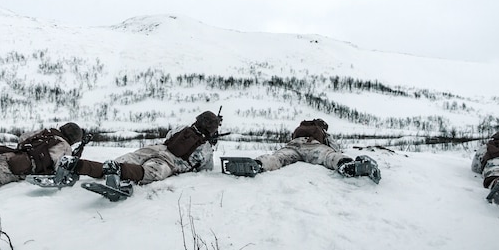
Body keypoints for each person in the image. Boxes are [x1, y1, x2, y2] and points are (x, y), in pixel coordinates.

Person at [54, 111, 222, 188]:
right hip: (168, 161)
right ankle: (118, 171)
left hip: (154, 149)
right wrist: (210, 145)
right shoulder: (205, 146)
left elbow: (169, 137)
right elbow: (205, 168)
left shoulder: (183, 128)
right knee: (144, 172)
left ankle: (77, 165)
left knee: (122, 160)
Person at [221, 119, 381, 183]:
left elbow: (290, 140)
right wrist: (340, 156)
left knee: (278, 158)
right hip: (314, 146)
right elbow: (332, 149)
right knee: (329, 157)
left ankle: (258, 164)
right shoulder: (321, 131)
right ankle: (347, 166)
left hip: (294, 145)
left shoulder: (300, 129)